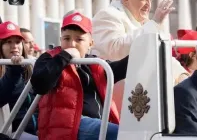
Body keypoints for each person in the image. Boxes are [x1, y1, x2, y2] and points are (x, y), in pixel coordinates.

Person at [31, 12, 128, 140]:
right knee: (121, 134)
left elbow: (124, 66)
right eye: (66, 38)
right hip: (67, 126)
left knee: (133, 132)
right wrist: (65, 56)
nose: (72, 44)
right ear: (60, 40)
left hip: (97, 123)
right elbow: (39, 85)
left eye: (79, 39)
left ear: (91, 43)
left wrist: (148, 39)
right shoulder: (50, 58)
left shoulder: (96, 64)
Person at [0, 21, 37, 137]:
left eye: (18, 42)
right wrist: (13, 70)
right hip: (12, 132)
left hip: (38, 129)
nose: (14, 46)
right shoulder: (10, 70)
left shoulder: (31, 64)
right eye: (8, 42)